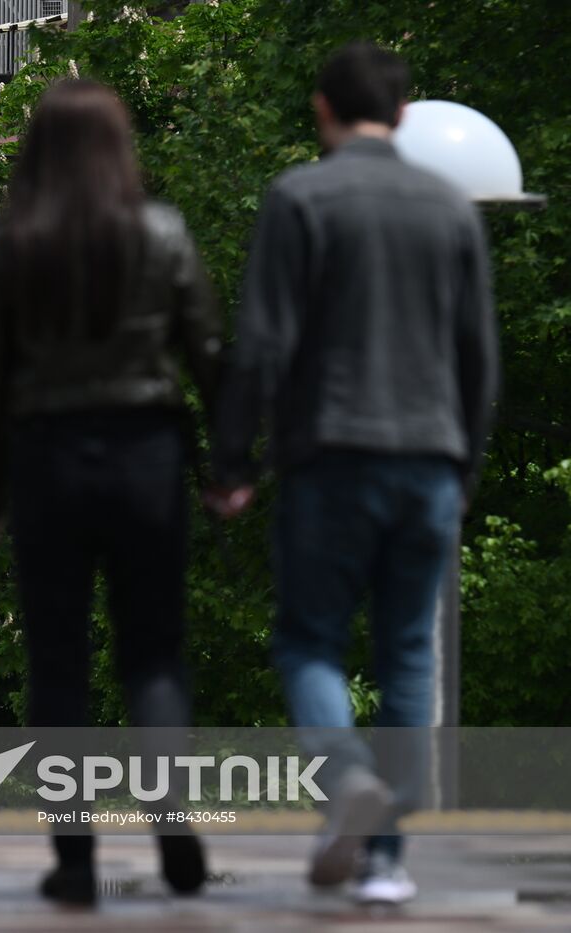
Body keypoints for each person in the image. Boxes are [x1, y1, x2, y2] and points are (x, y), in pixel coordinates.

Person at [209, 42, 499, 905]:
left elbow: (261, 346)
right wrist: (465, 468)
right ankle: (386, 861)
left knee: (309, 640)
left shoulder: (300, 196)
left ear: (322, 111)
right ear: (404, 116)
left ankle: (343, 782)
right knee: (409, 651)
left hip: (331, 456)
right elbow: (479, 355)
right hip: (430, 461)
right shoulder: (450, 207)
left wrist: (233, 462)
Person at [0, 79, 222, 907]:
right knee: (154, 650)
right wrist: (229, 465)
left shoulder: (17, 242)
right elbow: (208, 350)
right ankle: (170, 809)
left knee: (57, 660)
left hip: (48, 460)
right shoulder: (164, 232)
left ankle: (74, 857)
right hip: (147, 455)